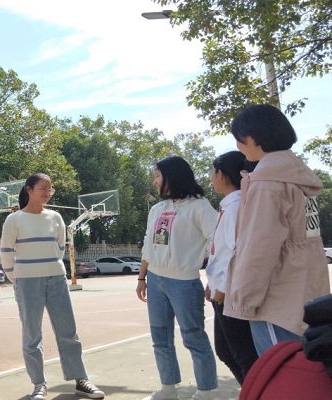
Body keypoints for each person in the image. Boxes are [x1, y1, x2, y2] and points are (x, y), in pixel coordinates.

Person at [224, 104, 330, 355]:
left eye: (239, 139)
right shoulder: (297, 177)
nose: (238, 145)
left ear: (253, 138)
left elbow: (258, 248)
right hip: (307, 294)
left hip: (276, 301)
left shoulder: (267, 183)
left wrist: (244, 302)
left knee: (279, 371)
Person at [0, 173, 105, 400]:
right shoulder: (14, 219)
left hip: (57, 280)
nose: (47, 193)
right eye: (43, 188)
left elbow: (59, 248)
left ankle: (80, 379)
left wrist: (50, 268)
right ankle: (39, 385)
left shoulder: (55, 217)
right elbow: (6, 252)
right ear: (29, 190)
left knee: (68, 333)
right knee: (32, 336)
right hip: (27, 282)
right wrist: (17, 278)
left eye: (50, 189)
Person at [136, 156, 219, 400]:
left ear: (172, 176)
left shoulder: (199, 207)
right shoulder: (157, 209)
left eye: (157, 176)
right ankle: (168, 389)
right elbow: (148, 245)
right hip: (155, 279)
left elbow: (219, 242)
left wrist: (213, 278)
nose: (154, 182)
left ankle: (205, 392)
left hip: (184, 282)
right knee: (160, 338)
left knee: (193, 337)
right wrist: (142, 278)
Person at [204, 151, 258, 385]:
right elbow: (221, 252)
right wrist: (212, 283)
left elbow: (238, 254)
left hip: (230, 295)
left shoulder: (236, 207)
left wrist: (223, 288)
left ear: (222, 175)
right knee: (226, 351)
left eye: (212, 172)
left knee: (244, 355)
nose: (211, 177)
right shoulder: (229, 205)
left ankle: (256, 392)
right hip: (221, 292)